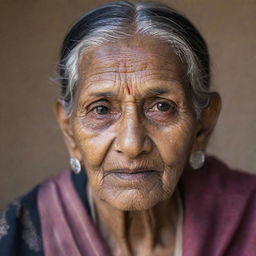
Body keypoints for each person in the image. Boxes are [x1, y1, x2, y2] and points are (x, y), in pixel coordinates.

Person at [0, 1, 255, 255]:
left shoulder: (249, 218)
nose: (131, 144)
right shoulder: (20, 239)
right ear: (69, 130)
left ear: (203, 125)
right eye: (101, 109)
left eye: (162, 107)